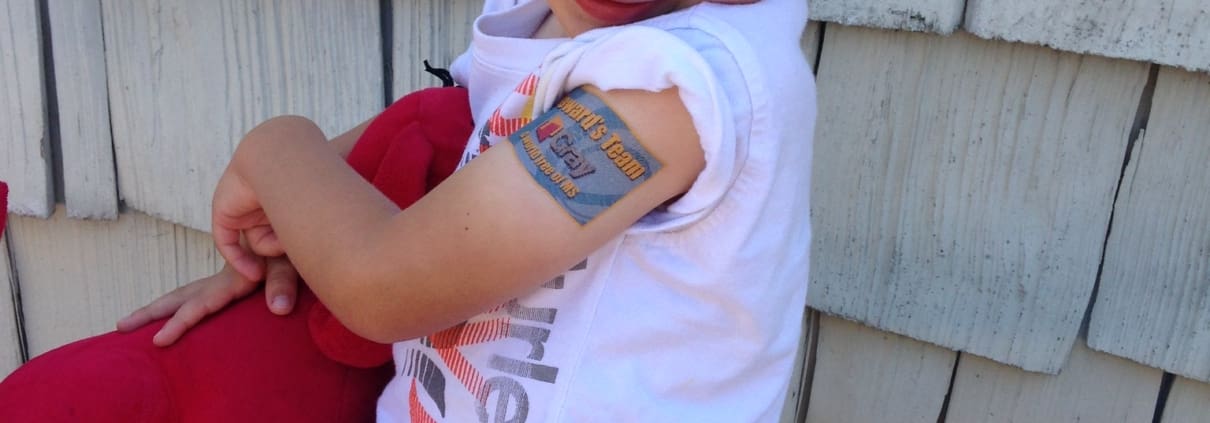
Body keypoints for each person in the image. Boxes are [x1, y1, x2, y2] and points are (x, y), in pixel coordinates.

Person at [4, 0, 815, 421]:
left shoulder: (686, 88)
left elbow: (382, 284)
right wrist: (281, 239)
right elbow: (446, 128)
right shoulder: (545, 28)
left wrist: (272, 148)